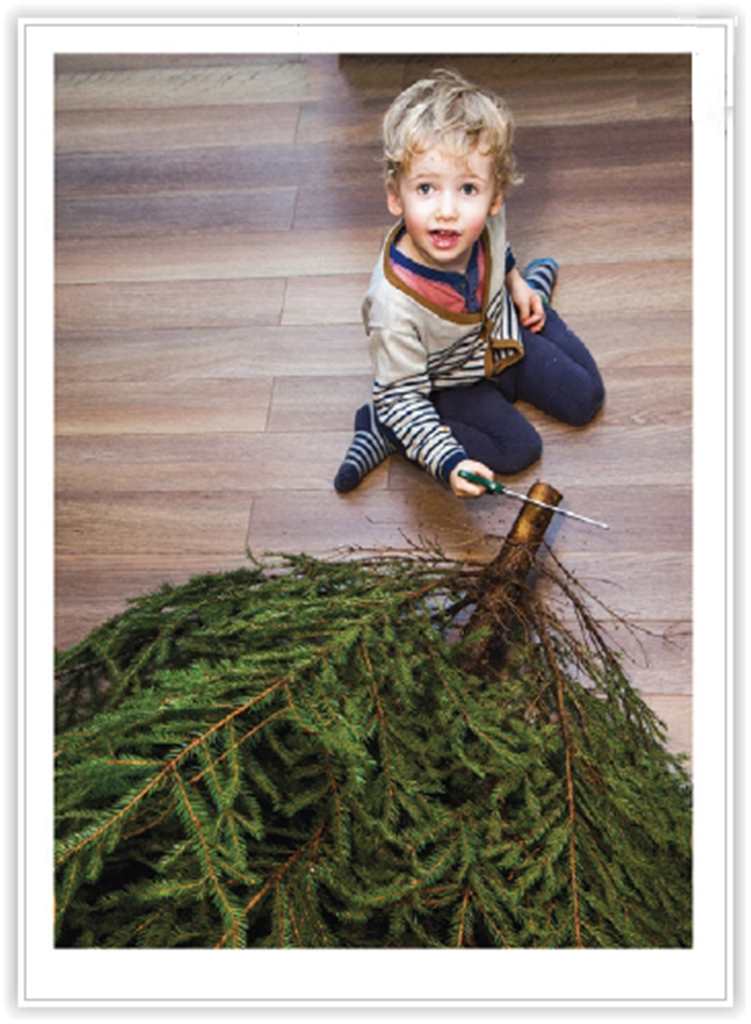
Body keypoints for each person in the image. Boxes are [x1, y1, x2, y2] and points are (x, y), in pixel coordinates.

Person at [334, 69, 604, 499]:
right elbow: (402, 393)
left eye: (467, 189)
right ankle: (386, 428)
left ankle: (535, 288)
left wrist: (516, 283)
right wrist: (449, 461)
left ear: (495, 196)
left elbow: (498, 246)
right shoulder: (392, 307)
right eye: (425, 188)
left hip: (506, 336)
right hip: (453, 382)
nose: (447, 210)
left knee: (585, 398)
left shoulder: (488, 218)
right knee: (519, 450)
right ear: (394, 195)